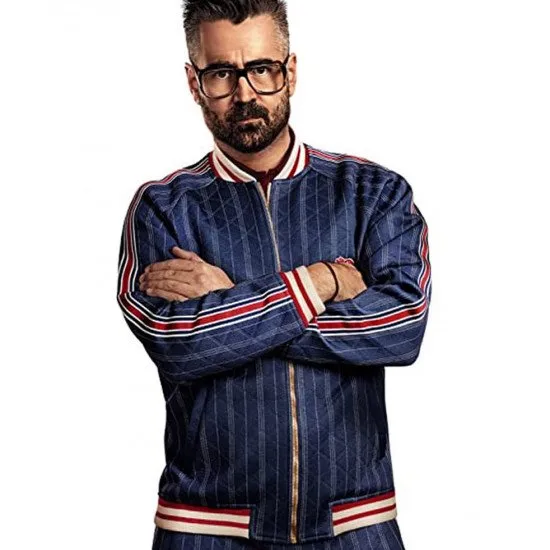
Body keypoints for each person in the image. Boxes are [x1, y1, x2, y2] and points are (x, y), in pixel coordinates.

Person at [116, 1, 432, 548]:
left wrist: (233, 301)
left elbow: (401, 328)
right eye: (222, 73)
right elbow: (179, 343)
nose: (245, 93)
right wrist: (323, 282)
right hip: (204, 529)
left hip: (356, 524)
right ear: (194, 83)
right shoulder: (163, 209)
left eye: (261, 68)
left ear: (291, 71)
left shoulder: (373, 193)